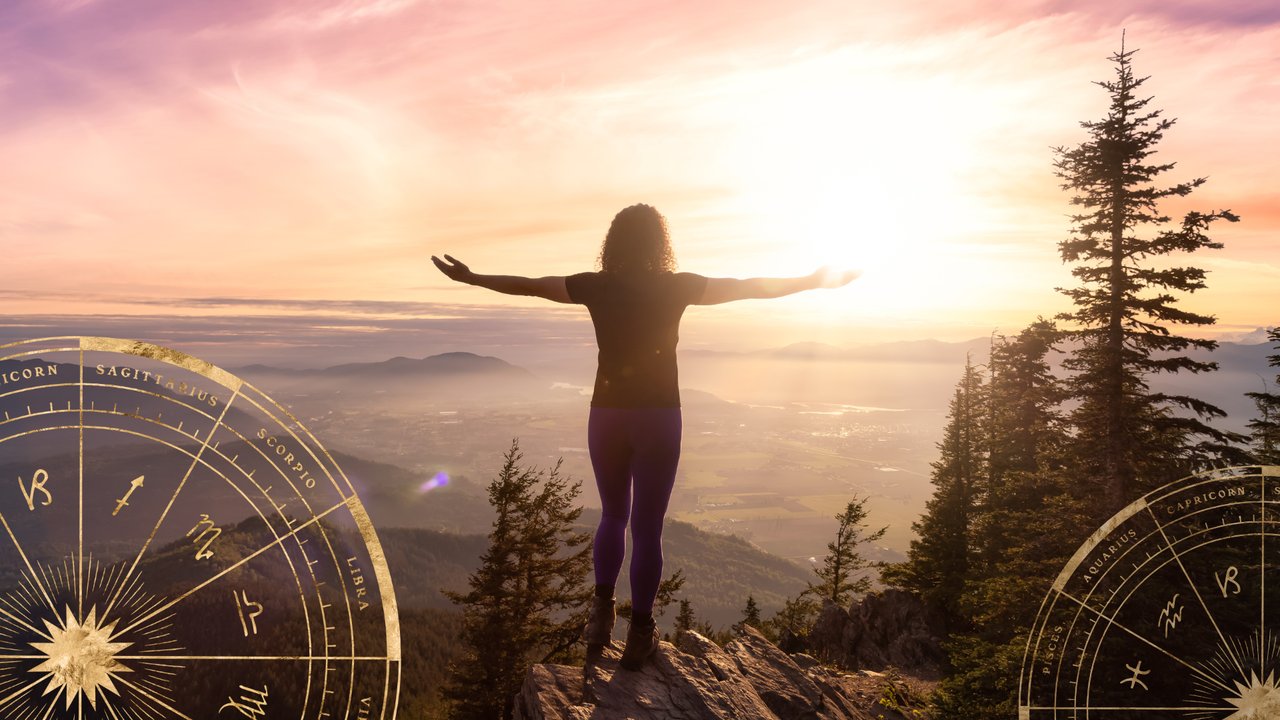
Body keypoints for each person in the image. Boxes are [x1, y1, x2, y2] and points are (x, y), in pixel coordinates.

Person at [432, 203, 858, 670]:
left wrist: (474, 279)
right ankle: (640, 633)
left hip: (606, 415)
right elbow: (747, 288)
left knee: (613, 515)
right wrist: (812, 281)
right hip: (659, 416)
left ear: (613, 243)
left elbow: (531, 287)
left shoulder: (594, 286)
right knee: (648, 528)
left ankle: (599, 615)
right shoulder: (677, 287)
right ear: (661, 243)